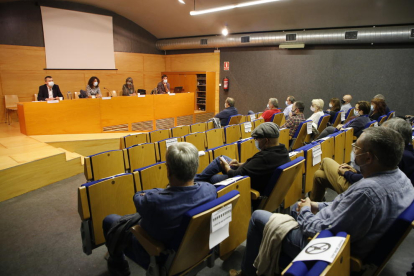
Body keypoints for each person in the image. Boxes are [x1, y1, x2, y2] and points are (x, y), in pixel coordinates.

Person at [235, 127, 414, 276]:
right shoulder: (402, 180)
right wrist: (315, 205)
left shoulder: (367, 192)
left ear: (368, 158)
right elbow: (344, 206)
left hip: (326, 247)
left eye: (356, 147)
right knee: (297, 207)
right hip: (342, 233)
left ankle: (247, 272)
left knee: (258, 216)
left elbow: (318, 230)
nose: (353, 150)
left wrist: (305, 211)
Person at [102, 142, 216, 276]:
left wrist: (161, 191)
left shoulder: (155, 202)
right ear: (195, 167)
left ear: (168, 170)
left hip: (160, 256)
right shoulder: (210, 190)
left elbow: (137, 197)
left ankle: (119, 266)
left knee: (109, 220)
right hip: (195, 249)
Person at [312, 117, 414, 201]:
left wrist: (347, 173)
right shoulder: (407, 153)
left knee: (326, 160)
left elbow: (375, 182)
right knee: (319, 175)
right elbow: (376, 176)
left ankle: (312, 208)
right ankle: (314, 208)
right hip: (367, 184)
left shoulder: (396, 155)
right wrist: (355, 171)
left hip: (362, 191)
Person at [194, 122, 290, 193]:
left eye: (257, 139)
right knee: (223, 157)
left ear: (266, 140)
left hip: (245, 182)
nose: (256, 141)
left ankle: (194, 182)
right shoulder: (282, 151)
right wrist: (239, 164)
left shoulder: (265, 158)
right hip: (251, 175)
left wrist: (226, 167)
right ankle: (196, 180)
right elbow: (256, 166)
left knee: (213, 176)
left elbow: (236, 174)